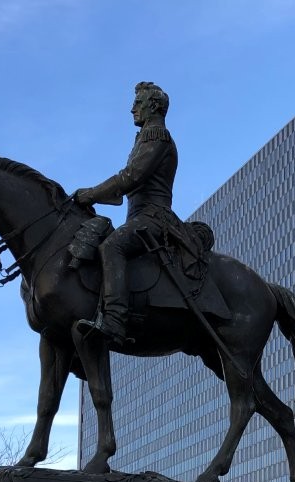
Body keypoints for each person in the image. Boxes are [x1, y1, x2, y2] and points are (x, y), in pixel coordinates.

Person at [72, 81, 180, 347]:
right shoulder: (144, 137)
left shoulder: (157, 136)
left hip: (154, 218)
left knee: (112, 246)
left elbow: (131, 177)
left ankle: (115, 322)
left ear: (153, 106)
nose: (132, 109)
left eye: (138, 103)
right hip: (138, 218)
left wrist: (91, 194)